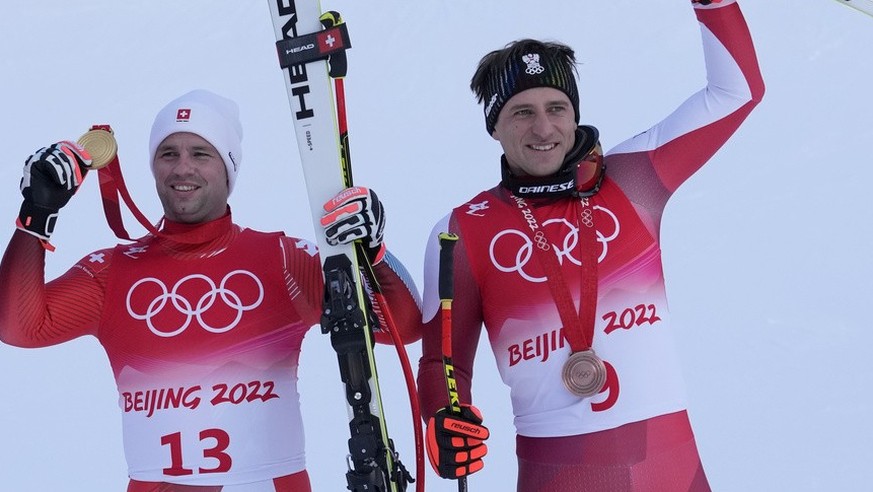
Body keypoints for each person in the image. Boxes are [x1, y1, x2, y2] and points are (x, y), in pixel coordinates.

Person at [417, 1, 765, 490]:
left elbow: (737, 93)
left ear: (574, 114)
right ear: (493, 126)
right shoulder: (460, 231)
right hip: (555, 473)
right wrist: (442, 422)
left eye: (556, 108)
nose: (544, 129)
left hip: (669, 472)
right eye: (521, 113)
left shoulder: (634, 179)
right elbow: (442, 362)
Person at [0, 89, 422, 491]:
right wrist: (36, 215)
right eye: (168, 154)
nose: (183, 168)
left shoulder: (282, 258)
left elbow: (402, 327)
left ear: (228, 168)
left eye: (201, 153)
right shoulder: (112, 271)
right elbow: (19, 327)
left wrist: (373, 251)